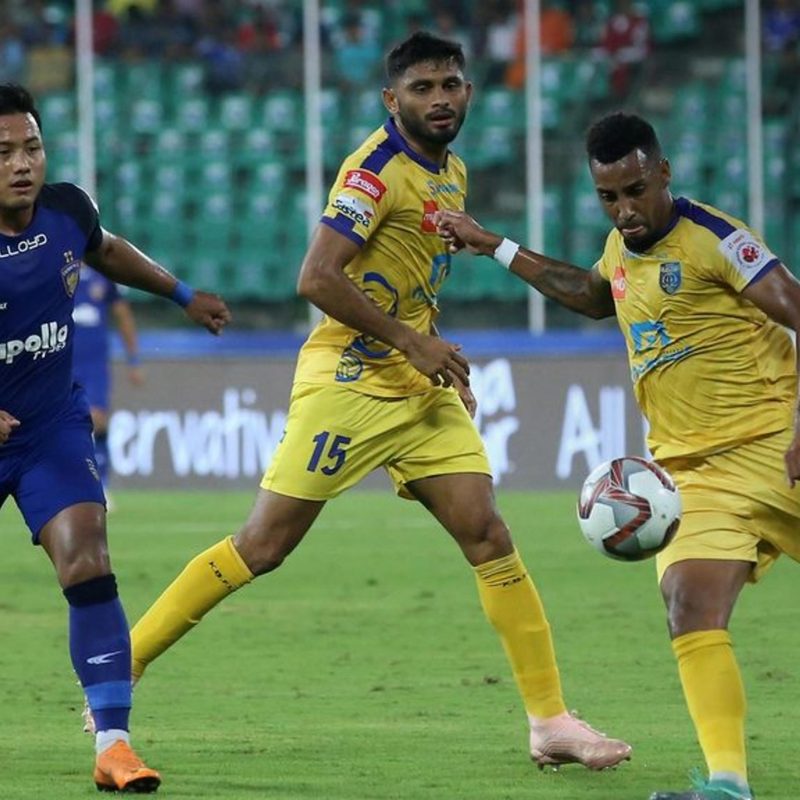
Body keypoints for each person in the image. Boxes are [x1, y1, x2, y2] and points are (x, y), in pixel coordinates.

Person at [116, 32, 632, 775]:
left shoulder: (452, 171)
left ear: (469, 91)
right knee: (264, 546)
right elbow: (317, 277)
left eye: (450, 84)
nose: (440, 99)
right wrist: (412, 342)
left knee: (487, 533)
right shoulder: (375, 172)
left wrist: (430, 347)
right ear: (392, 99)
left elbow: (407, 280)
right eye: (422, 88)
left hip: (417, 386)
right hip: (349, 381)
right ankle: (121, 666)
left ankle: (550, 721)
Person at [434, 111, 800, 800]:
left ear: (663, 173)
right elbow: (594, 295)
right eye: (609, 197)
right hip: (694, 476)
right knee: (689, 605)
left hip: (775, 447)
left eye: (636, 190)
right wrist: (495, 246)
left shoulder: (715, 238)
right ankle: (728, 784)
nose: (625, 210)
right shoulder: (620, 248)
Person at [0, 82, 230, 793]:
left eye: (31, 147)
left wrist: (181, 294)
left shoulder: (67, 210)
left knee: (88, 560)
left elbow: (105, 249)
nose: (21, 164)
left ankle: (113, 745)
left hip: (48, 427)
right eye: (3, 152)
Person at [73, 266, 144, 507]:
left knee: (98, 419)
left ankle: (101, 485)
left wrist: (133, 360)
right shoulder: (56, 267)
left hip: (94, 363)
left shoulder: (104, 275)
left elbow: (123, 314)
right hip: (62, 360)